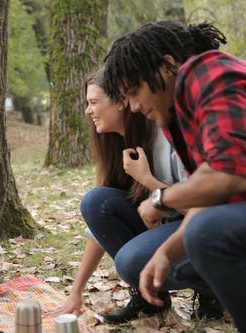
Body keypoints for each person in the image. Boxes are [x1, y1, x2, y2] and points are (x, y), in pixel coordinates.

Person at [103, 20, 246, 331]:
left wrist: (160, 199)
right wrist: (166, 252)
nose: (136, 106)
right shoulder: (179, 116)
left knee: (207, 232)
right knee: (154, 260)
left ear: (168, 66)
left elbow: (231, 176)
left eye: (135, 91)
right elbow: (210, 198)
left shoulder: (210, 74)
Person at [51, 68, 190, 323]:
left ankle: (212, 292)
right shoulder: (117, 143)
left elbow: (201, 207)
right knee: (95, 201)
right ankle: (148, 301)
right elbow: (99, 226)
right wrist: (76, 291)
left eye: (93, 102)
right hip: (165, 224)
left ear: (121, 102)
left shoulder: (164, 136)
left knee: (129, 262)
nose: (87, 111)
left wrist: (147, 180)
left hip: (194, 225)